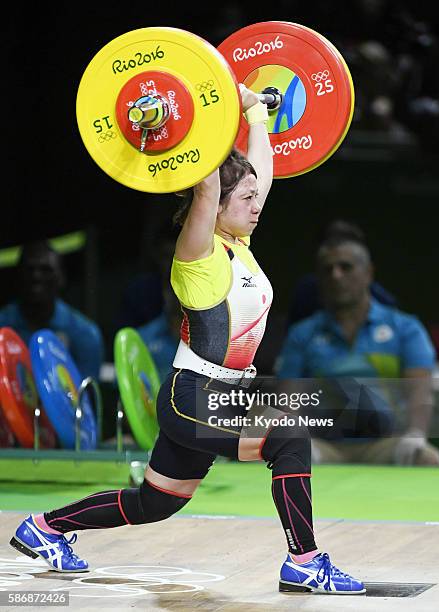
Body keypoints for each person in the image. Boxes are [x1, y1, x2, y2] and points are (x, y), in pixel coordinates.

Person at [10, 86, 365, 594]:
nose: (256, 202)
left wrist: (254, 114)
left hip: (225, 392)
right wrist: (188, 123)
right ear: (216, 206)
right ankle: (305, 561)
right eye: (245, 198)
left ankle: (45, 528)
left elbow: (256, 173)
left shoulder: (238, 242)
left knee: (156, 502)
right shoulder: (197, 254)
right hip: (195, 395)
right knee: (289, 436)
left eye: (254, 195)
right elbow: (203, 185)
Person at [276, 233, 439, 466]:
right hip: (323, 446)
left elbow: (420, 391)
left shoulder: (406, 329)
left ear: (368, 273)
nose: (336, 275)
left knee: (428, 458)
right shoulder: (302, 334)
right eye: (327, 270)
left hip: (386, 444)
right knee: (276, 458)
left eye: (346, 267)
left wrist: (416, 433)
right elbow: (288, 397)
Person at [0, 240, 104, 381]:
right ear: (17, 276)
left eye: (46, 270)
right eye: (29, 269)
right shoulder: (3, 324)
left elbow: (86, 397)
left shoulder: (85, 334)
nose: (36, 276)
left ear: (61, 278)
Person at [287, 219, 397, 327]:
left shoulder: (383, 301)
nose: (336, 276)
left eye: (346, 266)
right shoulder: (306, 292)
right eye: (328, 268)